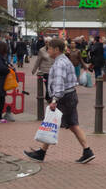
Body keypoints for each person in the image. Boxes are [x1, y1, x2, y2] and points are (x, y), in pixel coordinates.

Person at [24, 36, 95, 164]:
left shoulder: (59, 64)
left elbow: (59, 84)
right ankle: (87, 151)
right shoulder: (64, 61)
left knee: (51, 123)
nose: (48, 51)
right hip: (70, 95)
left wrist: (54, 100)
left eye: (49, 49)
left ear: (56, 49)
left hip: (64, 98)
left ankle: (41, 153)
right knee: (72, 125)